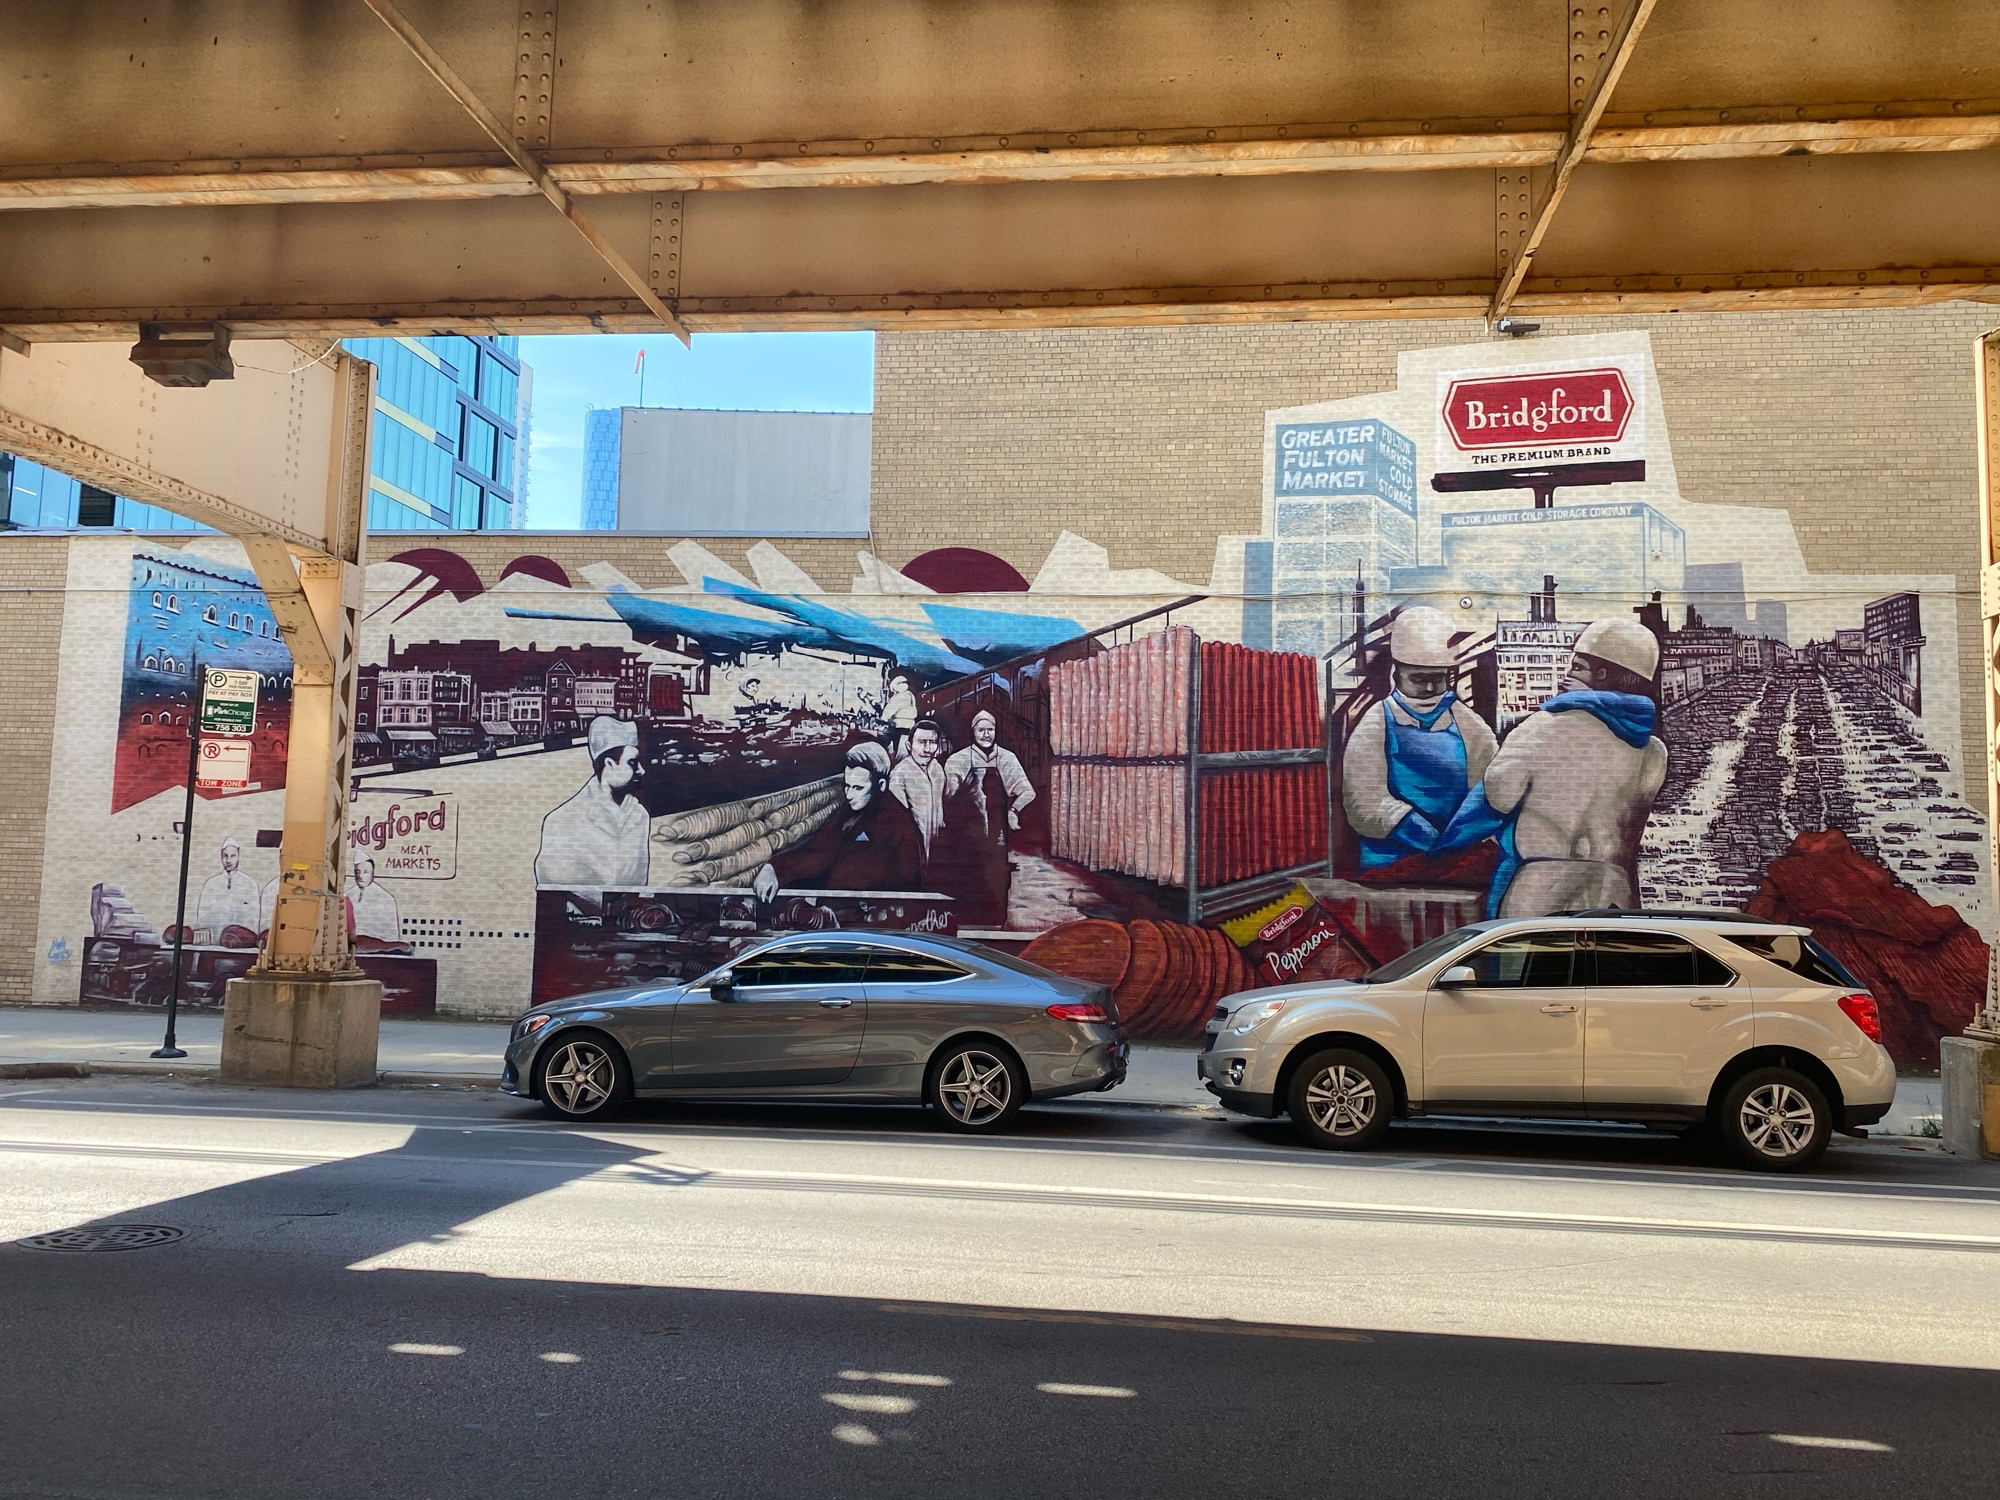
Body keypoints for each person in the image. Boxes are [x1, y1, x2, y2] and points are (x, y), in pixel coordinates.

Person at [1435, 617, 1668, 918]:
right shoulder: (1653, 752)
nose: (1567, 674)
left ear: (1602, 674)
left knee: (1527, 965)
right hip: (1615, 891)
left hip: (1542, 889)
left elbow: (1498, 796)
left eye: (1577, 667)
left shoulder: (1542, 728)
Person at [1341, 606, 1498, 871]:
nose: (1428, 689)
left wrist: (1463, 838)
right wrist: (1420, 833)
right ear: (1397, 672)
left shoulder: (1470, 726)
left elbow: (1493, 785)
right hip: (1390, 862)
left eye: (1437, 680)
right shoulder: (1375, 723)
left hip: (1456, 859)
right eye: (1418, 679)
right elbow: (1363, 801)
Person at [751, 741, 924, 897]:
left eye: (858, 788)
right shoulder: (851, 810)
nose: (849, 795)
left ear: (881, 786)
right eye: (847, 786)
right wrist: (773, 869)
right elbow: (820, 849)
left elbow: (903, 882)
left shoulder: (897, 823)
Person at [534, 715, 652, 888]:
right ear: (610, 764)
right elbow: (554, 887)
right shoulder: (562, 821)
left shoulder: (639, 816)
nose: (641, 770)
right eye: (633, 763)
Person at [888, 717, 948, 858]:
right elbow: (897, 819)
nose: (927, 749)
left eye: (932, 742)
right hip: (911, 849)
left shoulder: (937, 768)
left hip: (936, 844)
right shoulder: (899, 774)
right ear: (909, 745)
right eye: (921, 742)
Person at [194, 837, 261, 938]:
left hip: (240, 943)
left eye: (233, 856)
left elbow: (254, 917)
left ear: (238, 857)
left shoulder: (249, 883)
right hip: (214, 942)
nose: (228, 860)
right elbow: (203, 915)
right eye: (225, 856)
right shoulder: (211, 884)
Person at [343, 856, 401, 944]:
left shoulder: (386, 898)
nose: (360, 876)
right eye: (357, 872)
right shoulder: (348, 895)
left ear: (373, 873)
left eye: (366, 872)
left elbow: (392, 934)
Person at [882, 671, 919, 755]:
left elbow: (890, 709)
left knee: (896, 746)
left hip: (899, 725)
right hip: (909, 725)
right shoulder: (910, 695)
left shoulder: (900, 697)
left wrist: (884, 718)